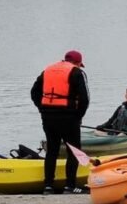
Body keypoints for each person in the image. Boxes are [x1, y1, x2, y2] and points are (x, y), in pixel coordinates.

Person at [31, 50, 90, 193]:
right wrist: (78, 117)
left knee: (52, 150)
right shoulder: (76, 72)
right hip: (69, 117)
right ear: (77, 63)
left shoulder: (47, 70)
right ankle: (70, 186)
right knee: (74, 150)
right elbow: (85, 98)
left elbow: (34, 92)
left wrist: (42, 109)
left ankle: (48, 185)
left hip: (48, 117)